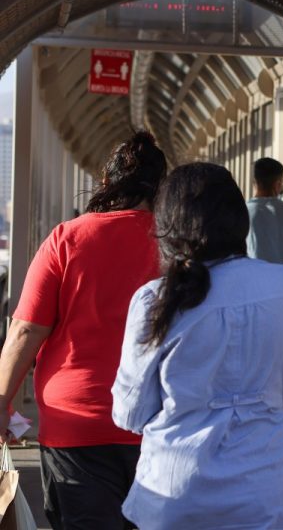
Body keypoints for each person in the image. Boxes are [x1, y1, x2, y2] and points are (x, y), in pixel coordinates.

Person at [112, 162, 283, 530]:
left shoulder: (154, 301)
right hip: (269, 496)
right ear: (239, 218)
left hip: (174, 497)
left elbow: (130, 414)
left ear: (168, 226)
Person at [0, 132, 167, 530]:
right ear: (162, 189)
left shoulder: (67, 238)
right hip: (157, 423)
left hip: (74, 424)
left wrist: (3, 401)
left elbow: (25, 330)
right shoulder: (177, 245)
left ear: (106, 184)